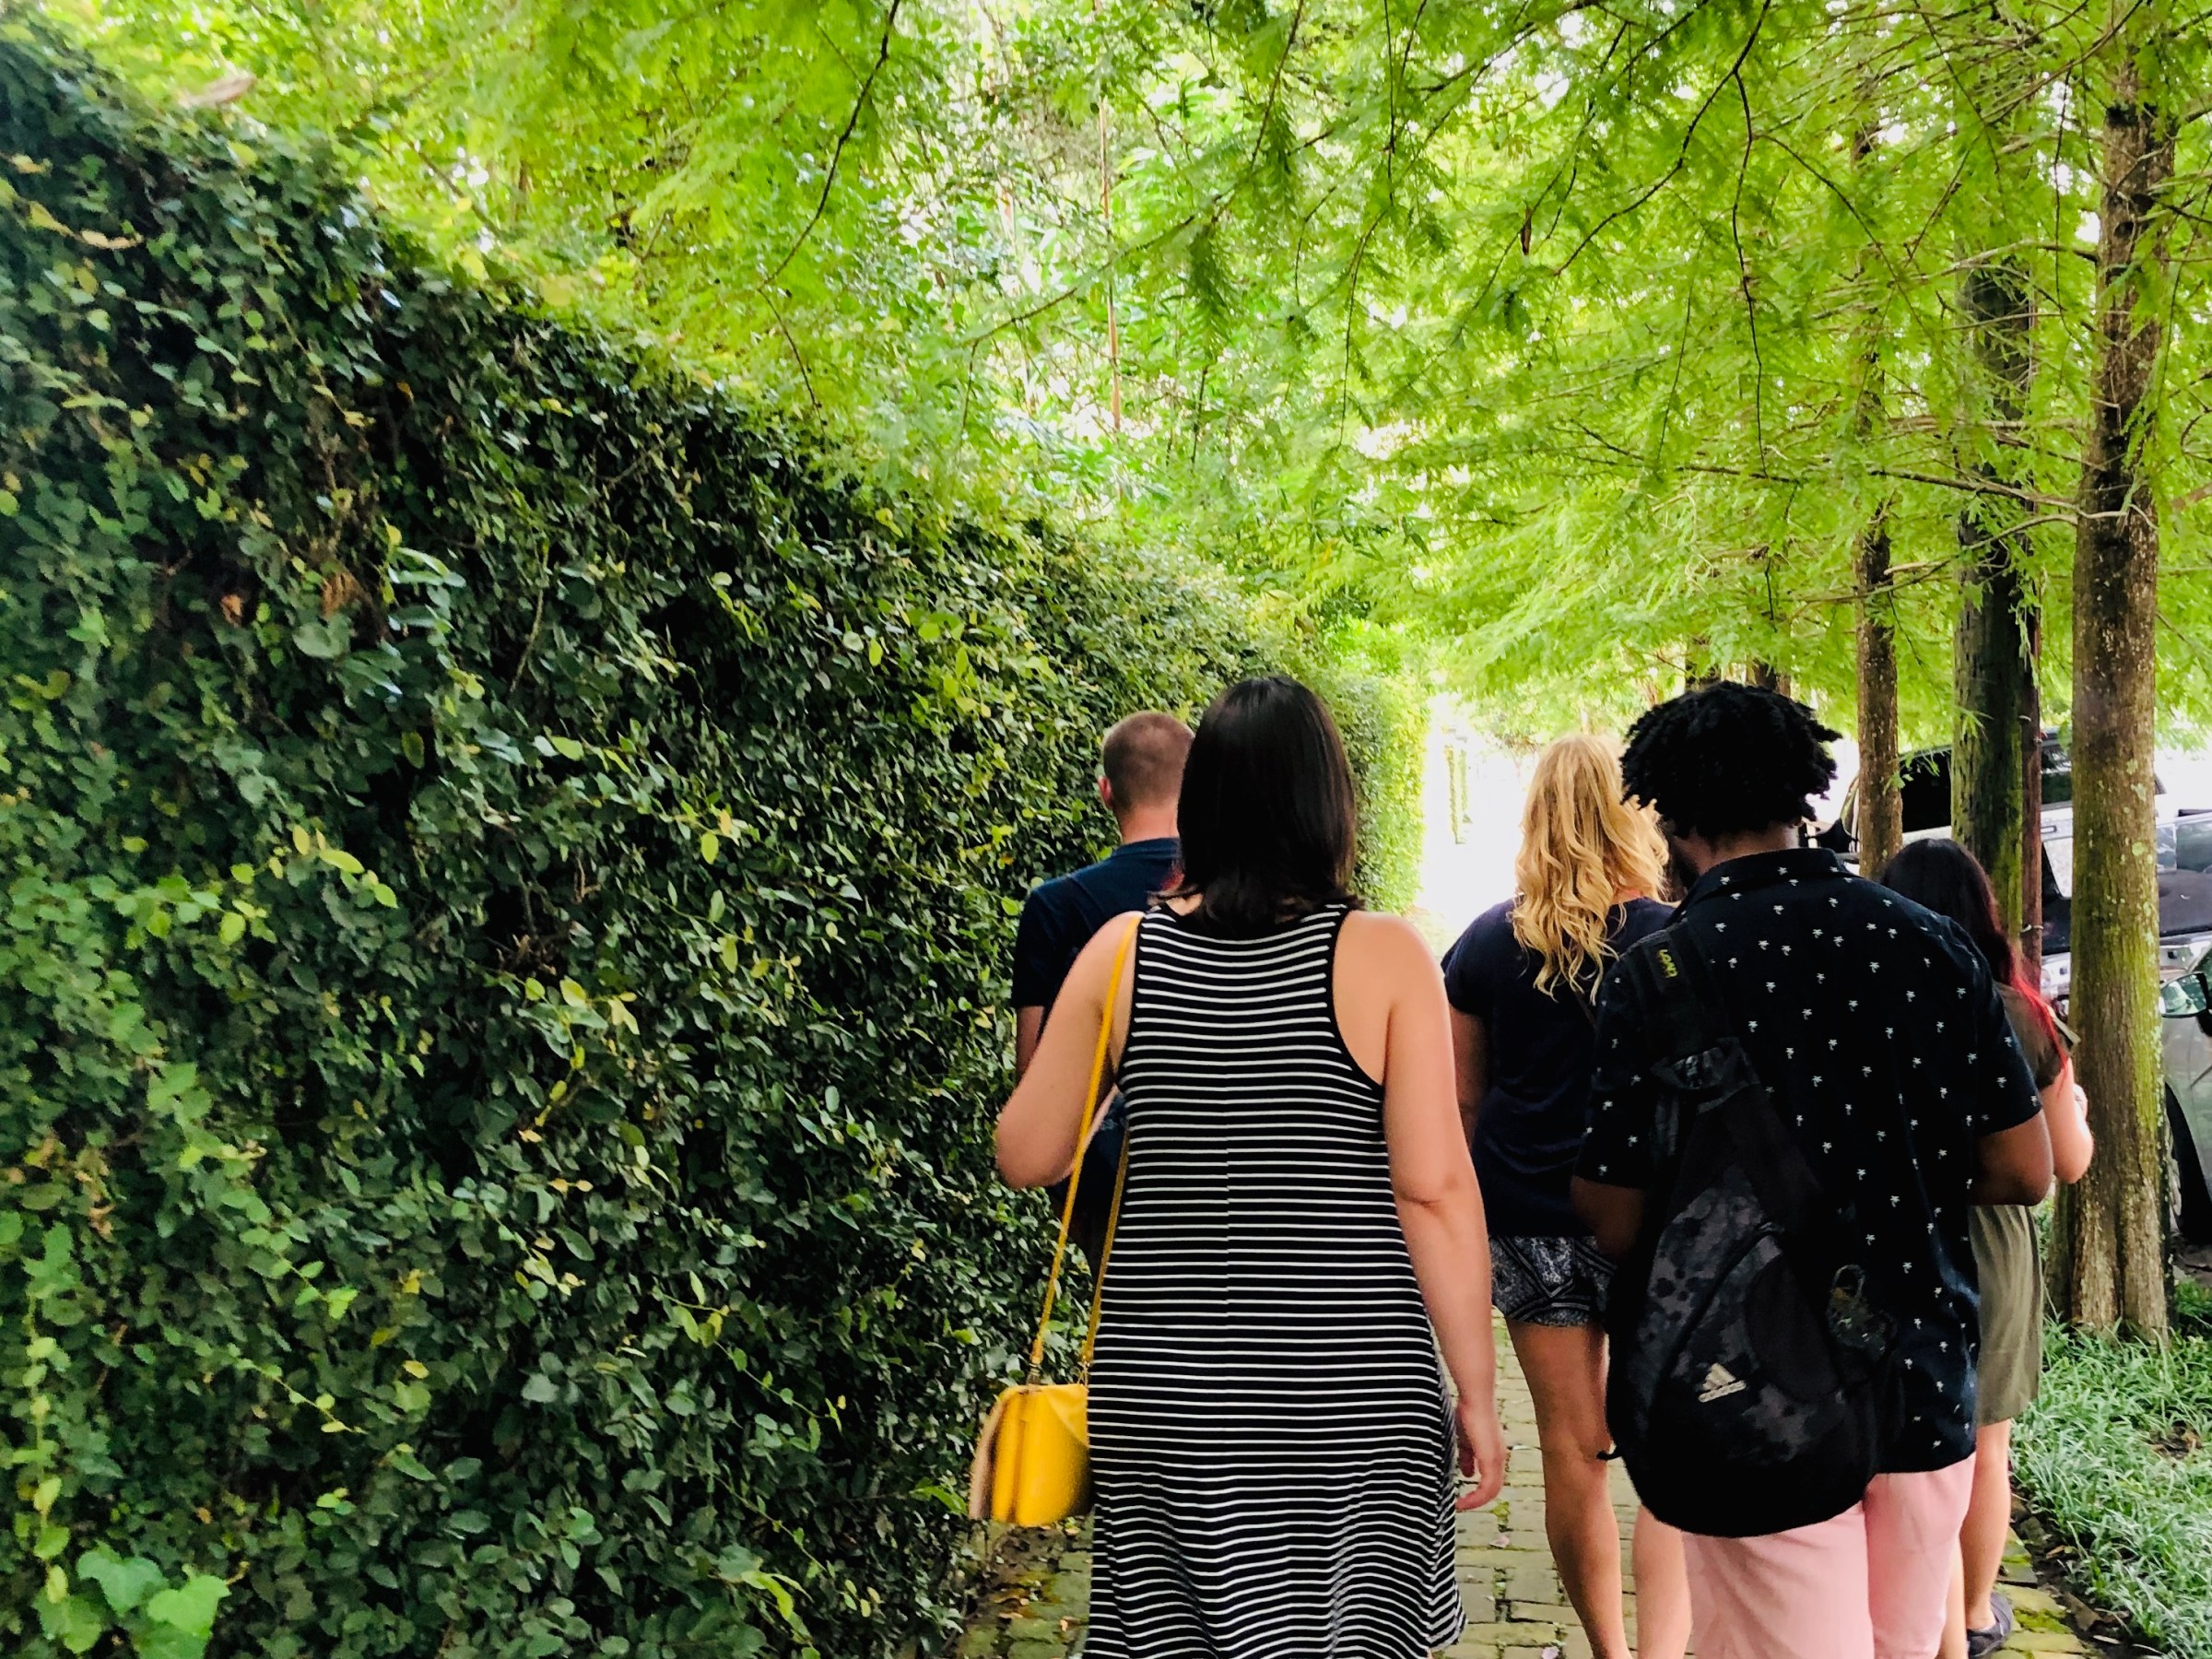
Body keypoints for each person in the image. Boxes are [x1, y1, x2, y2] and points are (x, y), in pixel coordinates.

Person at [995, 677, 1506, 1658]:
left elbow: (1026, 1155)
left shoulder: (1120, 952)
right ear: (1331, 804)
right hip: (1350, 1389)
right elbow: (1434, 1191)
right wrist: (1475, 1395)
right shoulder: (1388, 956)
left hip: (1170, 1392)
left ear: (1202, 805)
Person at [1572, 682, 2054, 1659]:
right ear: (1804, 794)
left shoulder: (1657, 978)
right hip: (1923, 1380)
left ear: (1672, 818)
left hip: (1746, 1395)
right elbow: (2025, 1169)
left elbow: (1616, 1220)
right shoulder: (1933, 947)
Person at [1442, 734, 1691, 1659]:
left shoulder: (1482, 945)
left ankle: (1609, 1654)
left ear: (1534, 819)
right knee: (1665, 1454)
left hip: (1529, 1218)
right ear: (1632, 817)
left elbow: (1464, 1102)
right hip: (1653, 1221)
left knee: (1572, 1450)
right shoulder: (1675, 939)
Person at [1877, 840, 2095, 1659]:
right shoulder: (2016, 1013)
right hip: (1995, 1249)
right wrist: (2074, 1102)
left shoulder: (1871, 1002)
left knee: (1915, 1444)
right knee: (1986, 1441)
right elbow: (2066, 1162)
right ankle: (1970, 1616)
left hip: (1899, 1233)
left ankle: (1915, 1613)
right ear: (1987, 913)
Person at [1011, 711, 1192, 1079]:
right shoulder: (1232, 898)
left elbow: (1031, 1075)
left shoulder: (1053, 907)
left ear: (1105, 792)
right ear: (1196, 792)